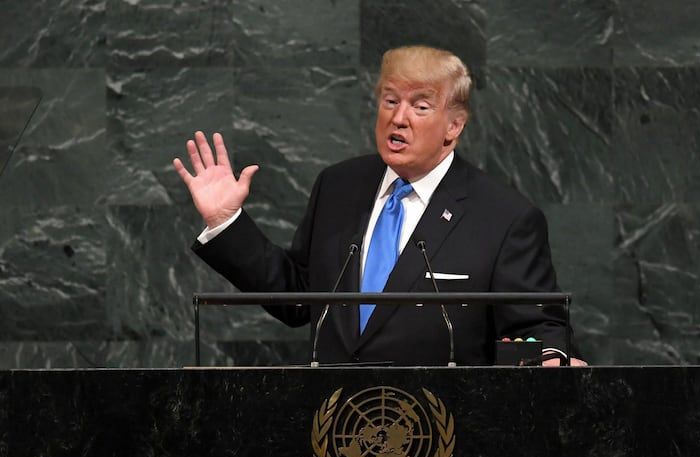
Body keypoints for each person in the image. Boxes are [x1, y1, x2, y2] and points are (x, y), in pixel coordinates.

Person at [174, 45, 587, 367]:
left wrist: (551, 356)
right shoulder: (339, 186)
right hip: (332, 428)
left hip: (442, 435)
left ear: (454, 126)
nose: (399, 118)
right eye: (390, 101)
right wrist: (227, 222)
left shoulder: (503, 216)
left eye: (420, 106)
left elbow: (538, 324)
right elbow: (299, 298)